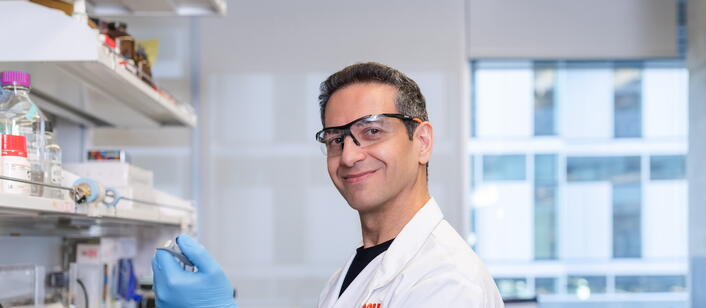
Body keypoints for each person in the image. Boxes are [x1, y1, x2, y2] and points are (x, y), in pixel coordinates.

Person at [151, 62, 504, 308]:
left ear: (422, 141)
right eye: (336, 139)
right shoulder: (345, 279)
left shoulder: (447, 281)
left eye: (372, 131)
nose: (349, 156)